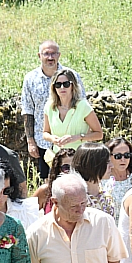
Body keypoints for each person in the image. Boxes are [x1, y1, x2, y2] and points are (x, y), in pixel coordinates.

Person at [21, 40, 85, 180]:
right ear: (39, 56)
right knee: (47, 182)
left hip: (70, 140)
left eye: (53, 53)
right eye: (46, 54)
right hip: (44, 141)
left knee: (74, 180)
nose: (50, 57)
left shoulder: (72, 76)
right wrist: (30, 141)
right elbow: (28, 110)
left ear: (59, 55)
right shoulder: (30, 79)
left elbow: (82, 105)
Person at [42, 68, 104, 166]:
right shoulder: (49, 106)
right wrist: (53, 139)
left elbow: (99, 134)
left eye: (66, 84)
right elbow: (45, 133)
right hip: (58, 160)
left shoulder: (83, 106)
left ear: (72, 85)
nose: (62, 87)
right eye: (58, 85)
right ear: (54, 88)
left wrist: (78, 137)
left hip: (80, 159)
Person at [35, 148, 76, 213]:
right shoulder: (45, 191)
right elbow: (27, 214)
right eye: (66, 168)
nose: (71, 172)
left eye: (75, 167)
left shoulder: (85, 192)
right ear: (58, 169)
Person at [104, 136, 132, 213]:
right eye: (118, 156)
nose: (123, 159)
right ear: (108, 157)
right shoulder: (101, 179)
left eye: (127, 155)